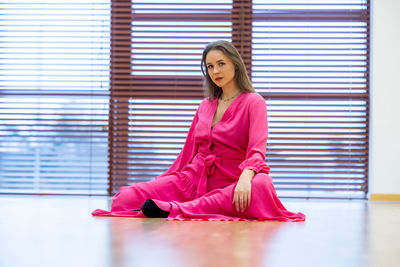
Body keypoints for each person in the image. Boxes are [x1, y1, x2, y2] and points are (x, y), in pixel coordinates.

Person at [92, 40, 305, 221]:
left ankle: (177, 209)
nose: (216, 71)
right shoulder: (205, 105)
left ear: (236, 65)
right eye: (210, 66)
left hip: (232, 179)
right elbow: (188, 152)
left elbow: (257, 148)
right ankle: (185, 205)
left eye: (221, 64)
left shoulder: (254, 102)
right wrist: (167, 179)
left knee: (261, 184)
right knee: (125, 198)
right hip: (194, 177)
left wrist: (245, 178)